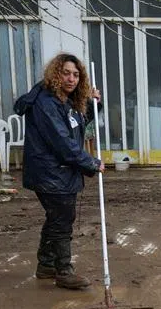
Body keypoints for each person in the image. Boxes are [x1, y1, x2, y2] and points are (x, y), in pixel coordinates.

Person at [14, 53, 103, 290]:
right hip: (50, 172)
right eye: (66, 73)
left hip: (61, 172)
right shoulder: (46, 103)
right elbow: (62, 142)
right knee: (63, 219)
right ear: (56, 74)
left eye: (76, 74)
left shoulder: (66, 101)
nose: (71, 79)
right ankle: (64, 271)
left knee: (56, 217)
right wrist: (91, 163)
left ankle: (46, 265)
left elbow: (77, 124)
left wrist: (94, 105)